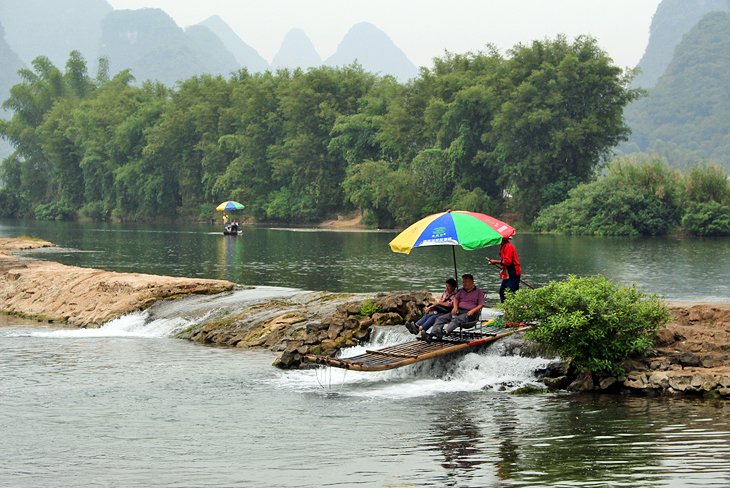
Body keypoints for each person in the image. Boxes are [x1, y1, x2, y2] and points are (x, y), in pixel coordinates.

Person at [423, 274, 484, 342]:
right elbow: (456, 299)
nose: (464, 284)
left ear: (472, 282)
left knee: (456, 319)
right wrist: (455, 307)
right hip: (459, 311)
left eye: (466, 282)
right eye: (463, 282)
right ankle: (431, 335)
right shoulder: (461, 290)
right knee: (440, 318)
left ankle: (444, 332)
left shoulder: (479, 291)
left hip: (470, 314)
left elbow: (481, 305)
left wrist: (473, 310)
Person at [487, 235, 521, 302]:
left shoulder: (508, 246)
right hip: (507, 274)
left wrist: (495, 261)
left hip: (513, 273)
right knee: (502, 292)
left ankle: (512, 310)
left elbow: (507, 261)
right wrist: (495, 262)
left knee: (510, 293)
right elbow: (504, 261)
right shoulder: (503, 246)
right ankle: (505, 309)